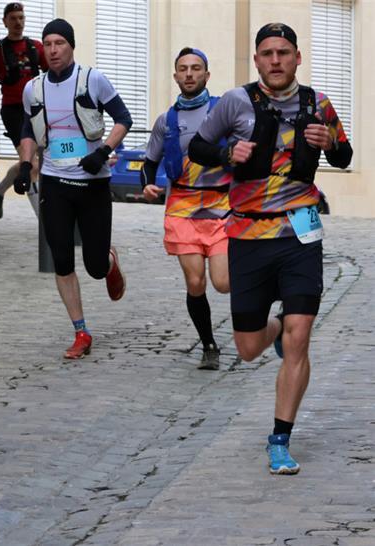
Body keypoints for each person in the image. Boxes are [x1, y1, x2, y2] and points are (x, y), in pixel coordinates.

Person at [188, 23, 352, 474]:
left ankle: (280, 438)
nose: (275, 60)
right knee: (246, 348)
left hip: (301, 234)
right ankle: (274, 328)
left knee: (302, 337)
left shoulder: (318, 103)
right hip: (247, 237)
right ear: (256, 60)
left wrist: (331, 142)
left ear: (297, 57)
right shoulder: (235, 103)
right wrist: (226, 156)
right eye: (267, 53)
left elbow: (344, 156)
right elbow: (198, 147)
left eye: (283, 52)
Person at [15, 18, 130, 360]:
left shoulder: (92, 79)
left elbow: (123, 118)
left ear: (71, 46)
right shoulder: (33, 88)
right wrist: (24, 166)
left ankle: (109, 263)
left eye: (59, 43)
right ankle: (81, 331)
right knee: (61, 259)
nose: (52, 50)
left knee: (94, 265)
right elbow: (27, 128)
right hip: (54, 182)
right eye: (47, 43)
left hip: (93, 183)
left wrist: (103, 152)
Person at [141, 48, 231, 370]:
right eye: (183, 69)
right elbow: (148, 164)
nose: (190, 74)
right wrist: (147, 184)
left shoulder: (224, 111)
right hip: (182, 208)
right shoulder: (166, 121)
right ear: (176, 76)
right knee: (195, 283)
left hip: (222, 206)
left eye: (196, 68)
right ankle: (209, 345)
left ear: (207, 75)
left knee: (223, 282)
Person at [0, 1, 48, 219]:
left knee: (35, 163)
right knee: (30, 165)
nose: (18, 22)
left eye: (21, 17)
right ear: (4, 22)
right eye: (13, 18)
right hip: (13, 112)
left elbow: (55, 78)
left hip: (36, 110)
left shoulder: (36, 48)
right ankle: (46, 223)